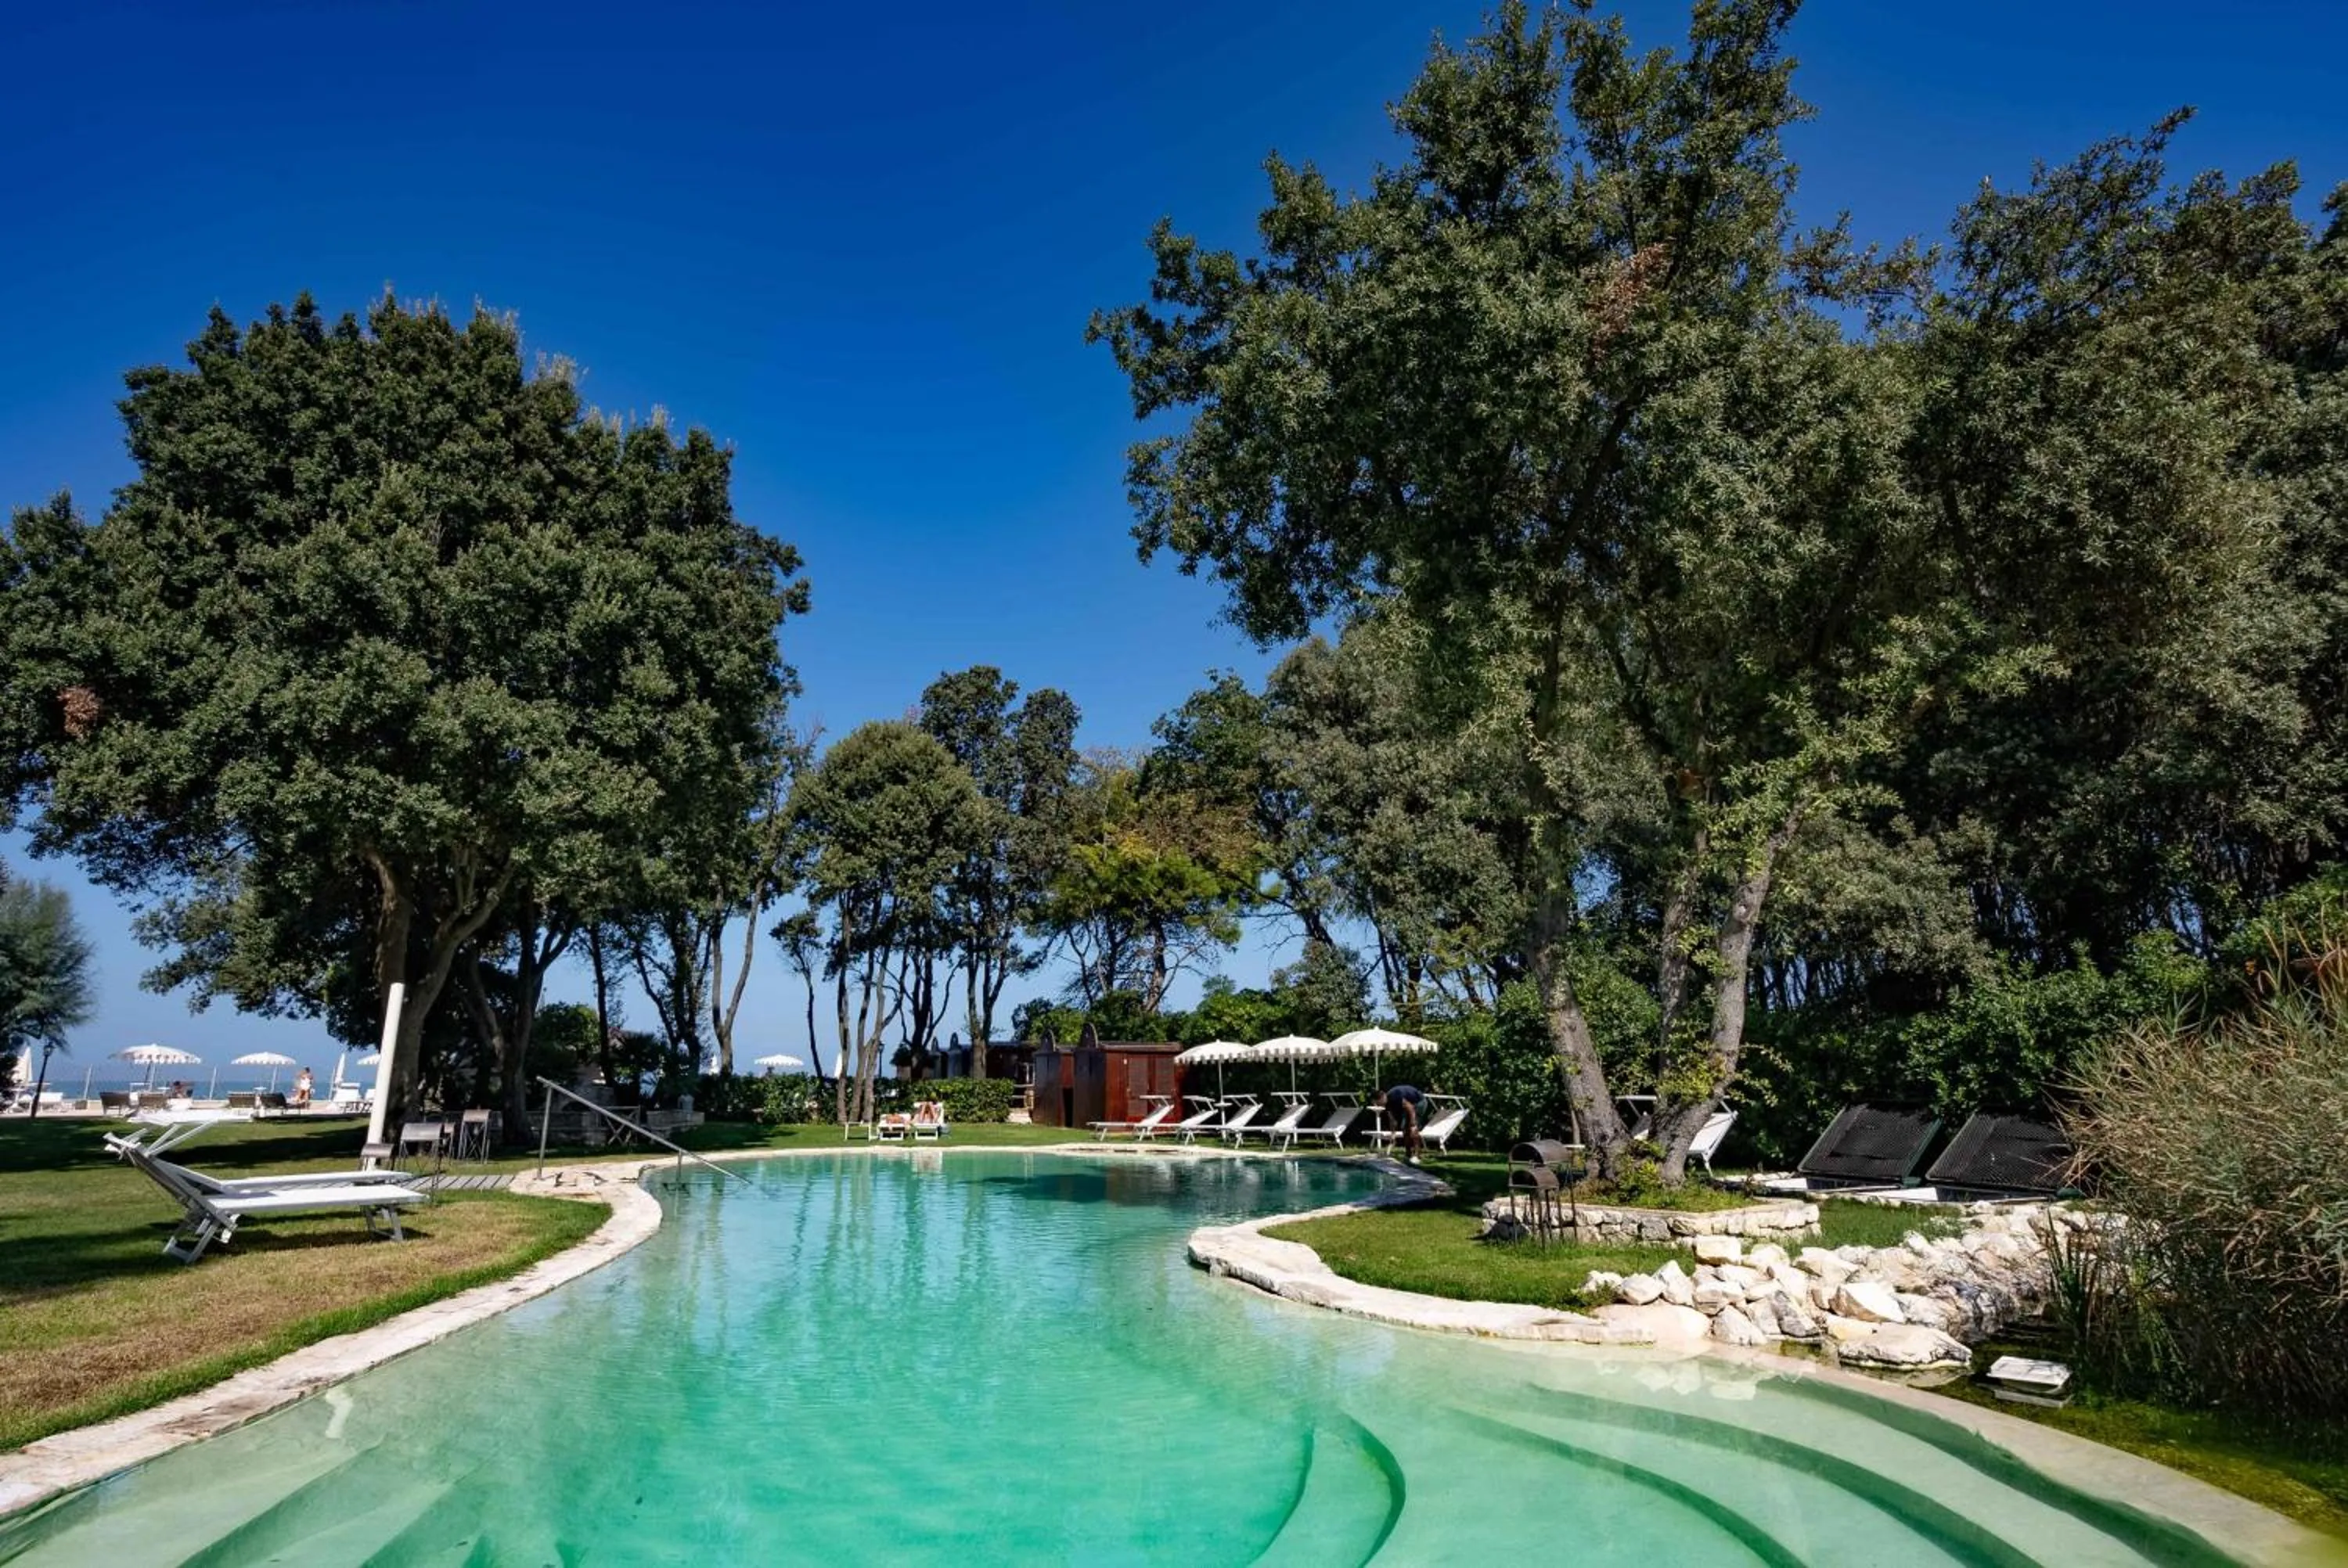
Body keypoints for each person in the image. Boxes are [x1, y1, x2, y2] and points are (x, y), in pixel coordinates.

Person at [1382, 1083, 1426, 1164]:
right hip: (1410, 1106)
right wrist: (1393, 1134)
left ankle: (1417, 1156)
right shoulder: (1387, 1104)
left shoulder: (1395, 1096)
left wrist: (1413, 1123)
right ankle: (1408, 1154)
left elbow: (1410, 1108)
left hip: (1419, 1102)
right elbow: (1392, 1120)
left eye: (1378, 1103)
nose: (1378, 1105)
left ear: (1381, 1098)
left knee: (1413, 1130)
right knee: (1405, 1129)